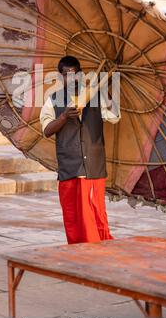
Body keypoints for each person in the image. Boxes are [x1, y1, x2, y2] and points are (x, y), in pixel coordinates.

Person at [40, 56, 120, 244]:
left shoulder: (96, 96)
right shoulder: (53, 100)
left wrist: (105, 89)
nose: (72, 78)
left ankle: (98, 254)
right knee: (73, 218)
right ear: (60, 78)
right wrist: (64, 117)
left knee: (96, 216)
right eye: (67, 75)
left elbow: (114, 116)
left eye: (76, 73)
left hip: (93, 168)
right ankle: (77, 257)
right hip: (69, 168)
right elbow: (46, 130)